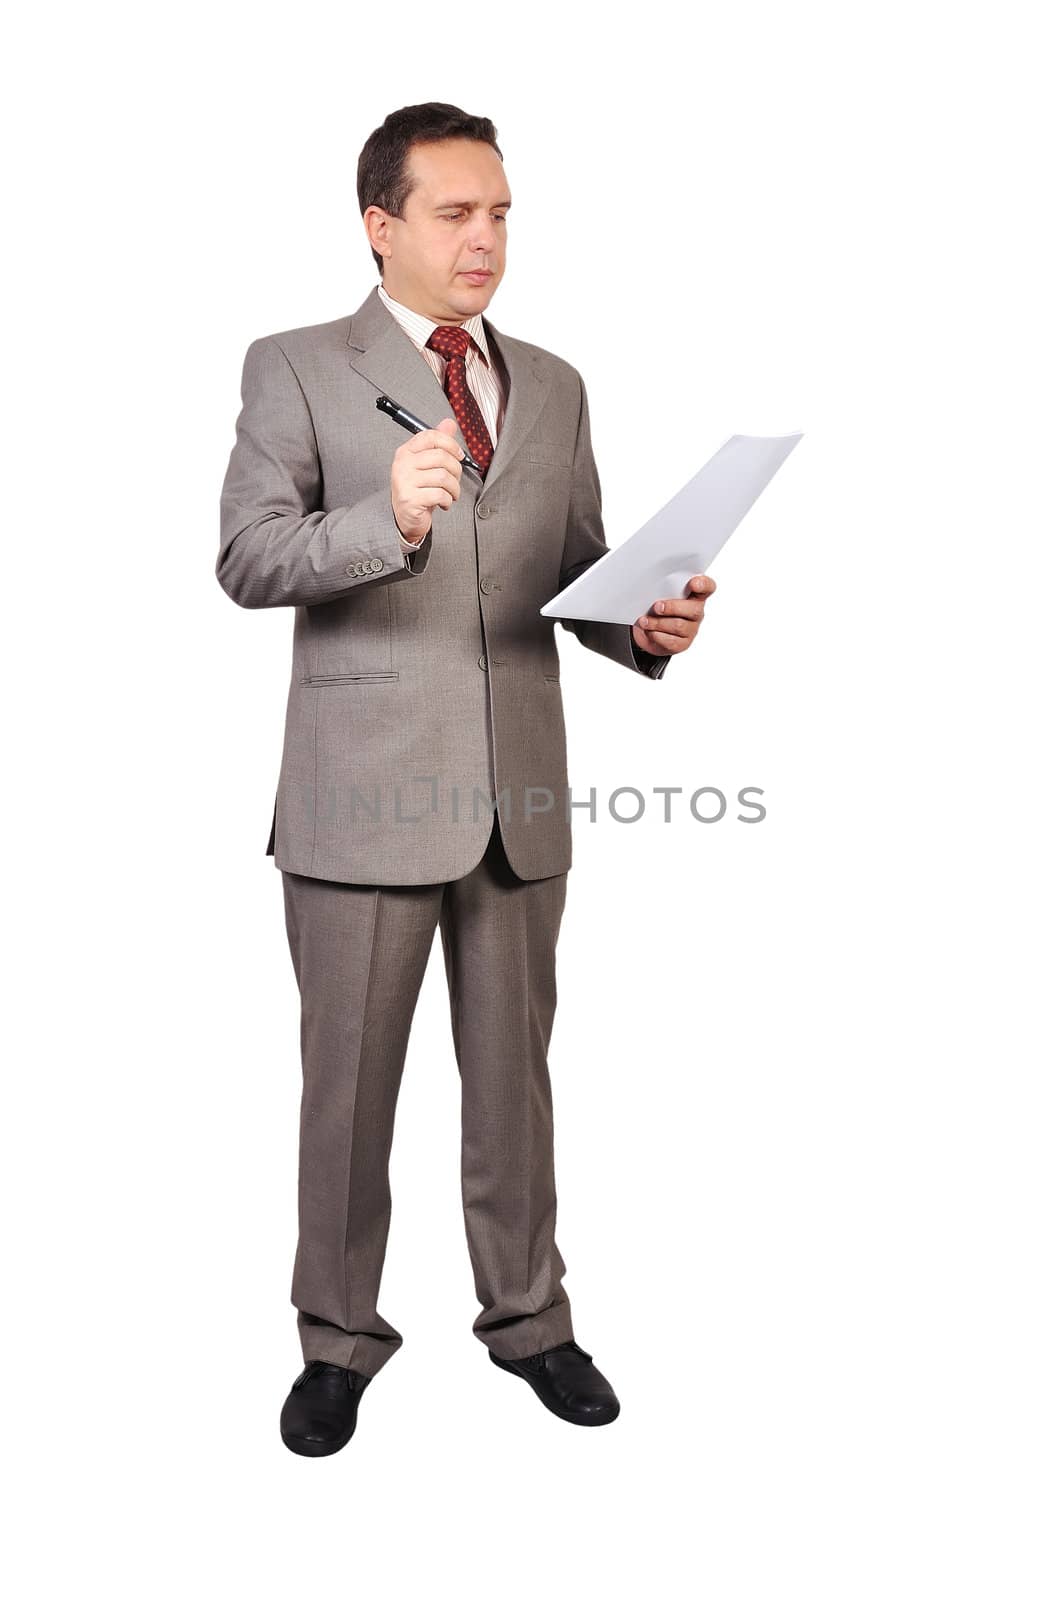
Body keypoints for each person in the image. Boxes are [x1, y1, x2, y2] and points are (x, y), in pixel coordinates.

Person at [217, 102, 713, 1457]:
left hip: (521, 801)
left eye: (500, 211)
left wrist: (644, 626)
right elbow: (252, 561)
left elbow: (579, 573)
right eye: (455, 212)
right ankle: (337, 1341)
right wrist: (390, 517)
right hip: (358, 801)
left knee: (516, 1087)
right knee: (349, 1093)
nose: (485, 235)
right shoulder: (297, 366)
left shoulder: (551, 382)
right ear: (382, 226)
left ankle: (531, 1323)